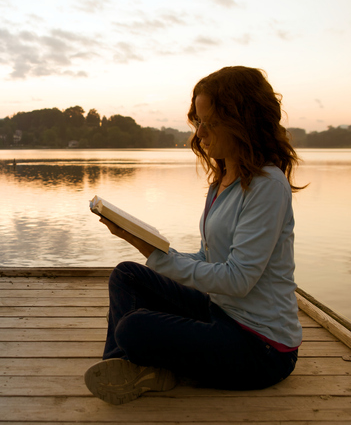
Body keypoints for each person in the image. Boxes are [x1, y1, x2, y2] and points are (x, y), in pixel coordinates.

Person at [84, 66, 305, 405]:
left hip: (261, 348)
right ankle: (126, 367)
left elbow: (238, 280)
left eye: (209, 122)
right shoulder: (223, 180)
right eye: (197, 121)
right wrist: (143, 244)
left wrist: (158, 255)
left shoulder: (267, 186)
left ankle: (138, 368)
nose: (199, 133)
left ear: (243, 122)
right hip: (221, 312)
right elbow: (208, 259)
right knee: (127, 275)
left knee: (134, 328)